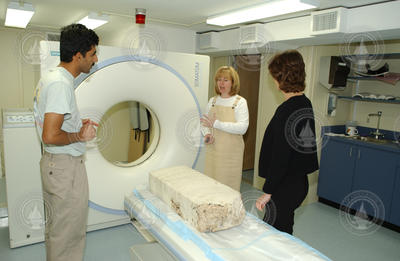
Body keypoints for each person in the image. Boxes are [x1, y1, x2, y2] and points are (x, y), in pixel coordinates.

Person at [33, 24, 99, 261]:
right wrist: (79, 136)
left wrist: (76, 125)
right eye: (92, 54)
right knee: (68, 233)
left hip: (56, 165)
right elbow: (50, 135)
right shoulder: (61, 84)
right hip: (64, 167)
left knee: (60, 230)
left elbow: (55, 124)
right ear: (78, 55)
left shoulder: (53, 77)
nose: (95, 59)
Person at [255, 50, 319, 235]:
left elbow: (280, 155)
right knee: (281, 229)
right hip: (298, 182)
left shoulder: (286, 110)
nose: (273, 80)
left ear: (281, 78)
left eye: (275, 76)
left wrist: (268, 191)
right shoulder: (304, 102)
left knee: (276, 234)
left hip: (285, 185)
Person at [201, 66, 249, 191]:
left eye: (226, 80)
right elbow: (204, 123)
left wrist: (217, 124)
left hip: (231, 153)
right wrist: (207, 134)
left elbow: (242, 128)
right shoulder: (213, 101)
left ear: (233, 82)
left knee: (227, 187)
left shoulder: (240, 102)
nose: (221, 83)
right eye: (219, 79)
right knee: (210, 184)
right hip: (213, 149)